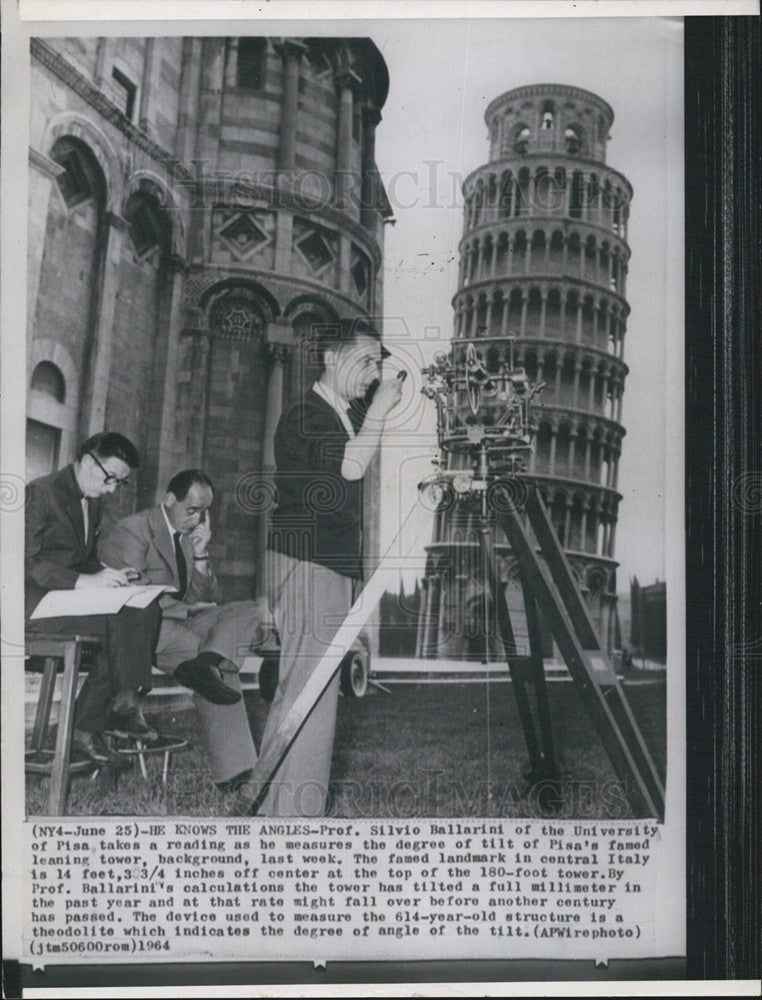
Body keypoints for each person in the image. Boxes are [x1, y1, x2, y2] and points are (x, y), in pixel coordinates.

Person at [252, 318, 403, 817]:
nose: (371, 376)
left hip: (321, 564)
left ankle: (273, 809)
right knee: (312, 697)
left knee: (302, 689)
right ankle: (295, 822)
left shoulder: (335, 414)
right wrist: (380, 410)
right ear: (331, 358)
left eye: (377, 366)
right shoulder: (305, 415)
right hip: (308, 563)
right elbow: (351, 469)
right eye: (364, 362)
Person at [99, 470, 266, 791]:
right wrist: (188, 608)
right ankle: (236, 772)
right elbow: (134, 598)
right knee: (221, 664)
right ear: (170, 500)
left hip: (181, 620)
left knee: (253, 608)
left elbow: (204, 597)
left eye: (205, 512)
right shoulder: (133, 530)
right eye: (192, 510)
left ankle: (206, 663)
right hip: (146, 629)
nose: (198, 519)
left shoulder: (190, 538)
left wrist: (202, 554)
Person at [25, 432, 164, 769]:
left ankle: (116, 708)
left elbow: (81, 559)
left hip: (66, 601)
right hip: (33, 606)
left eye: (120, 482)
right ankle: (102, 718)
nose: (112, 489)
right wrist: (85, 581)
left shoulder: (92, 500)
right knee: (115, 626)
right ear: (88, 461)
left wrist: (112, 573)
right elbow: (22, 562)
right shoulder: (40, 493)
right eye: (110, 479)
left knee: (146, 606)